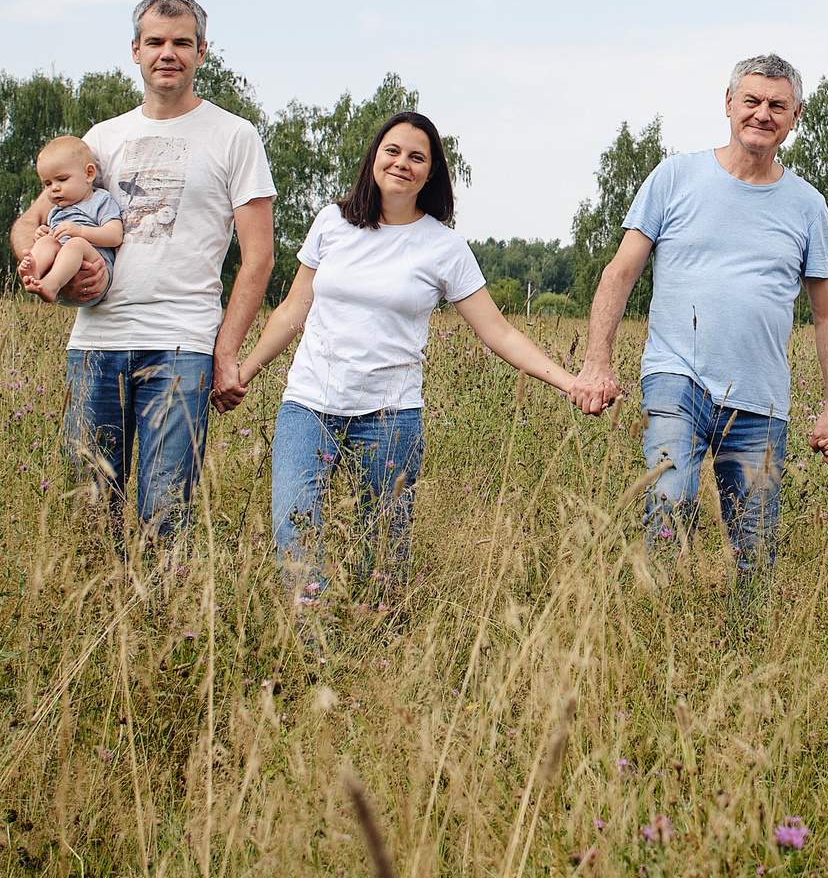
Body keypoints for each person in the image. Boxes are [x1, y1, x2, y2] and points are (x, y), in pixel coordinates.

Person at [234, 111, 596, 611]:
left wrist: (569, 381)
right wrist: (243, 371)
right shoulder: (332, 222)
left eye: (416, 157)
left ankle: (375, 646)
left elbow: (499, 332)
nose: (402, 163)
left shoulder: (444, 247)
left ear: (431, 174)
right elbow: (294, 308)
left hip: (390, 417)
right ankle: (309, 644)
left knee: (382, 552)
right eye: (393, 151)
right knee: (292, 532)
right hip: (309, 405)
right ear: (374, 158)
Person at [11, 0, 274, 545]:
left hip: (181, 345)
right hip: (96, 342)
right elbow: (30, 220)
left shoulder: (235, 136)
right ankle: (95, 627)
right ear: (135, 51)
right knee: (88, 513)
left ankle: (159, 627)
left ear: (203, 52)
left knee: (165, 514)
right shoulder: (103, 138)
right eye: (155, 42)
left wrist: (227, 352)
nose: (167, 53)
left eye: (182, 42)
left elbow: (259, 259)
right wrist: (39, 261)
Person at [576, 55, 828, 582]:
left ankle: (745, 645)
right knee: (669, 499)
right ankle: (652, 631)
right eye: (751, 101)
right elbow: (620, 273)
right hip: (676, 377)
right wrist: (596, 362)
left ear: (795, 115)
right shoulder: (675, 177)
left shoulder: (808, 206)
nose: (762, 114)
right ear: (729, 104)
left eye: (777, 105)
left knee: (756, 550)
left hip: (760, 401)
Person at [18, 136, 125, 303]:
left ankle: (50, 285)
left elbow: (115, 236)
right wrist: (44, 234)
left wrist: (80, 231)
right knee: (47, 241)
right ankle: (36, 274)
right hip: (67, 278)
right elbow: (56, 241)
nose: (54, 188)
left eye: (62, 179)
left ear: (89, 174)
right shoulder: (56, 212)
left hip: (96, 273)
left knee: (76, 243)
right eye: (47, 184)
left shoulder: (100, 200)